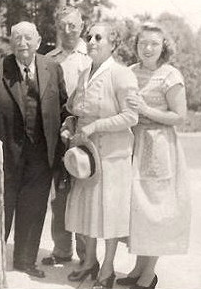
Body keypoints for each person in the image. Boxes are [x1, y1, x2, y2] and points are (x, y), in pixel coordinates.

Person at [0, 21, 68, 278]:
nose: (22, 43)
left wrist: (69, 130)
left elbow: (64, 108)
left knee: (34, 209)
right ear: (11, 42)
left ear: (38, 40)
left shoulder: (53, 69)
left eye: (27, 37)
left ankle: (25, 259)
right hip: (5, 154)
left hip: (42, 155)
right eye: (17, 38)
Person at [63, 22, 139, 289]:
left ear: (113, 44)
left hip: (113, 156)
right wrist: (70, 125)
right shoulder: (84, 74)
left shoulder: (122, 75)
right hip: (87, 155)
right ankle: (89, 263)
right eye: (90, 36)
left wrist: (96, 126)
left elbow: (131, 115)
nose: (92, 41)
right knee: (88, 209)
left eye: (99, 37)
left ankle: (107, 270)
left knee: (109, 212)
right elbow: (75, 108)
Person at [117, 22, 191, 289]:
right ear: (136, 46)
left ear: (163, 47)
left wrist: (146, 109)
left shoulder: (170, 75)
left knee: (155, 211)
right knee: (136, 211)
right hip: (132, 145)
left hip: (159, 149)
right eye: (142, 43)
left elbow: (179, 117)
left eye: (154, 44)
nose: (147, 49)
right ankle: (138, 268)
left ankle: (150, 274)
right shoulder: (128, 72)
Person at [42, 5, 91, 267]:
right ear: (57, 28)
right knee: (59, 198)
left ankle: (86, 256)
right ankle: (61, 250)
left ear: (82, 25)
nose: (68, 30)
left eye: (73, 25)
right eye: (63, 26)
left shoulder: (92, 58)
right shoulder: (49, 60)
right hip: (58, 140)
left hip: (87, 137)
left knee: (84, 197)